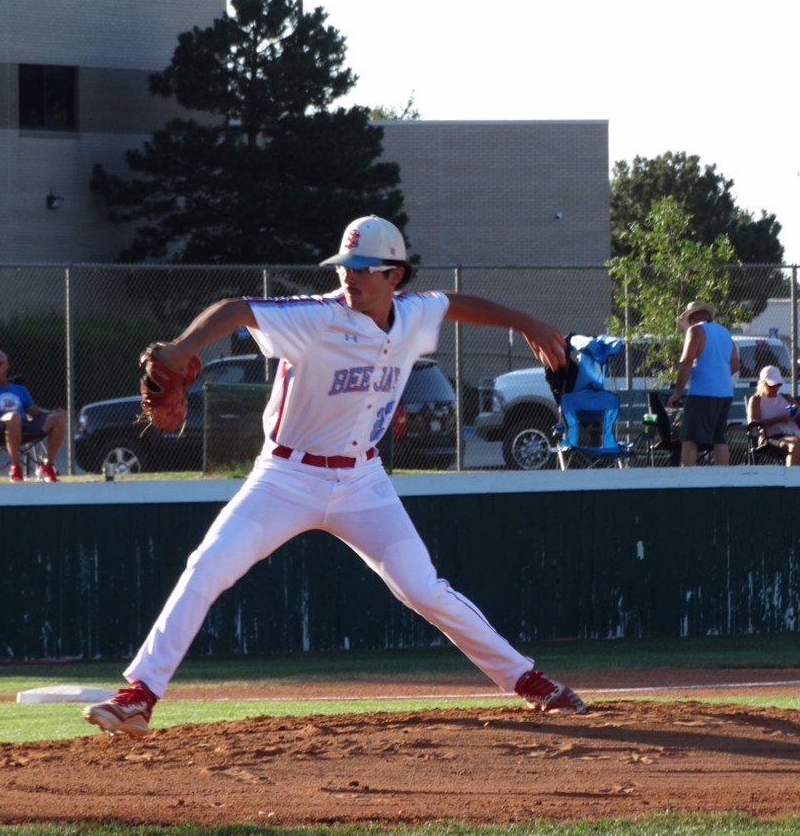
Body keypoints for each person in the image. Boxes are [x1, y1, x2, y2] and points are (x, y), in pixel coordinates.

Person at [83, 215, 589, 736]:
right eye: (345, 266)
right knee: (208, 565)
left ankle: (529, 680)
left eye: (363, 268)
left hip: (362, 482)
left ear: (395, 275)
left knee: (423, 588)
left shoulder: (413, 314)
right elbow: (235, 311)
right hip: (284, 477)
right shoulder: (317, 318)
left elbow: (455, 302)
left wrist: (526, 322)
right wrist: (184, 347)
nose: (350, 276)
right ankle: (138, 694)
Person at [0, 350, 67, 482]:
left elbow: (35, 412)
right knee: (13, 416)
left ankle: (47, 466)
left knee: (60, 418)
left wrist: (53, 413)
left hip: (25, 426)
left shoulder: (19, 389)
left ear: (6, 366)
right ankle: (15, 467)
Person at [665, 301, 740, 467]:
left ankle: (688, 480)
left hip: (702, 393)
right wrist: (718, 376)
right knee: (719, 439)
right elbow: (735, 365)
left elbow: (685, 362)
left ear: (692, 317)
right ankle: (722, 479)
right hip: (725, 393)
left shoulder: (695, 330)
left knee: (689, 439)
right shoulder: (725, 332)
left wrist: (678, 392)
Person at [745, 365, 800, 466]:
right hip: (772, 437)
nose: (776, 388)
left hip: (794, 433)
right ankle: (792, 479)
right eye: (772, 385)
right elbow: (753, 423)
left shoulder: (786, 398)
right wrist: (779, 419)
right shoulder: (757, 400)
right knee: (796, 442)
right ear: (763, 383)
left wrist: (796, 412)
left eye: (778, 384)